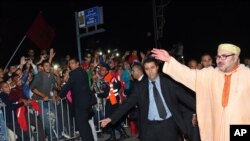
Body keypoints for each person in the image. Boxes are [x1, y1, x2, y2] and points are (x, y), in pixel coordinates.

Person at [151, 43, 250, 141]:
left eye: (224, 56)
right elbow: (188, 75)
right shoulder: (210, 74)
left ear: (236, 57)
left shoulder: (247, 75)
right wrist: (169, 60)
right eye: (218, 56)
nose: (219, 60)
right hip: (216, 130)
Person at [100, 56, 197, 141]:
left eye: (152, 68)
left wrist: (200, 109)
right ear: (144, 71)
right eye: (147, 69)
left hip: (168, 126)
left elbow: (185, 97)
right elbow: (128, 103)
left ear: (157, 67)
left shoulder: (168, 82)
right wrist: (111, 118)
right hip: (149, 128)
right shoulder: (141, 87)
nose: (150, 71)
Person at [58, 58, 95, 141]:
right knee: (85, 125)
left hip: (80, 104)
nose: (71, 65)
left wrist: (60, 95)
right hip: (86, 102)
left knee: (82, 126)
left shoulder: (75, 73)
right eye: (70, 64)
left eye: (73, 63)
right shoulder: (83, 71)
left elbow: (68, 85)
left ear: (77, 63)